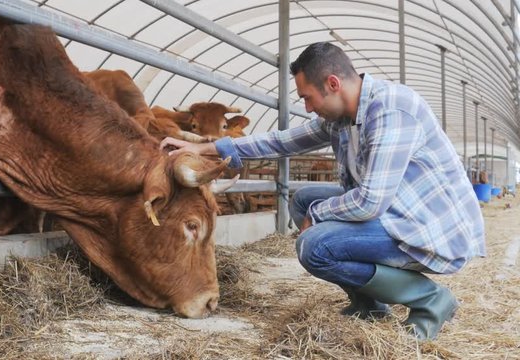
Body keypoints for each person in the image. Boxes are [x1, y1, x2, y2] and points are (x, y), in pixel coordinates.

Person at [160, 42, 485, 340]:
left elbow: (371, 202)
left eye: (306, 97)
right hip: (397, 212)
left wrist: (318, 217)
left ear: (332, 84)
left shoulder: (390, 109)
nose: (306, 105)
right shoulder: (342, 117)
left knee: (314, 246)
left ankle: (431, 300)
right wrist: (205, 148)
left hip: (428, 226)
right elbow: (280, 141)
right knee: (303, 199)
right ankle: (370, 305)